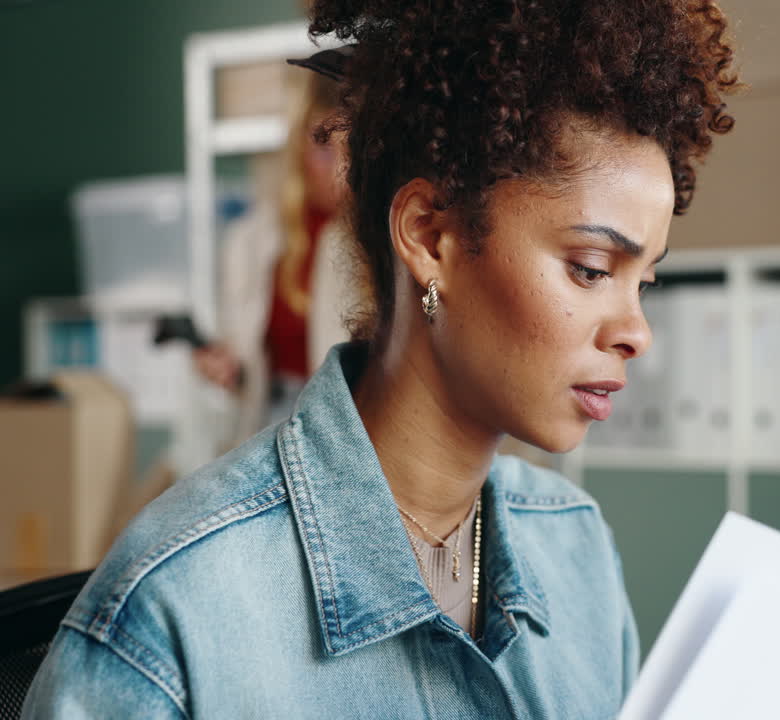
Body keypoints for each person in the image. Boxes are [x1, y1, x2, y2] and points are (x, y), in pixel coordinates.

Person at [22, 0, 739, 717]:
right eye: (589, 268)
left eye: (643, 281)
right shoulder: (173, 611)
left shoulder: (574, 543)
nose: (636, 332)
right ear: (429, 238)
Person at [193, 69, 358, 446]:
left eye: (350, 147)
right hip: (271, 427)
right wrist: (227, 370)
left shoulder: (384, 241)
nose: (337, 167)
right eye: (322, 146)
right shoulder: (252, 240)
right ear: (298, 145)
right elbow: (247, 371)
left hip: (352, 434)